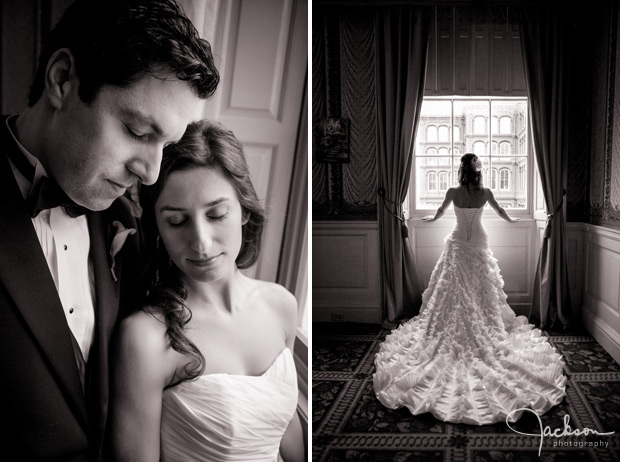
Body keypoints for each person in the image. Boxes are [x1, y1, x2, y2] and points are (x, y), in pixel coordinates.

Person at [0, 0, 219, 460]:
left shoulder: (127, 219)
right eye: (139, 132)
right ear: (62, 80)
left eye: (167, 145)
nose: (152, 173)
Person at [109, 120, 305, 462]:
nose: (200, 242)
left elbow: (284, 426)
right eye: (177, 221)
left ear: (244, 210)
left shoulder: (281, 305)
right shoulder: (145, 337)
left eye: (216, 214)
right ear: (157, 227)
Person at [373, 153, 566, 425]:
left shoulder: (453, 191)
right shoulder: (485, 192)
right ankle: (482, 325)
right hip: (477, 240)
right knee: (479, 289)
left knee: (453, 289)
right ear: (477, 171)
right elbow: (500, 211)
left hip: (458, 243)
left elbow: (440, 213)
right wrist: (512, 221)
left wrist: (428, 220)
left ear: (461, 170)